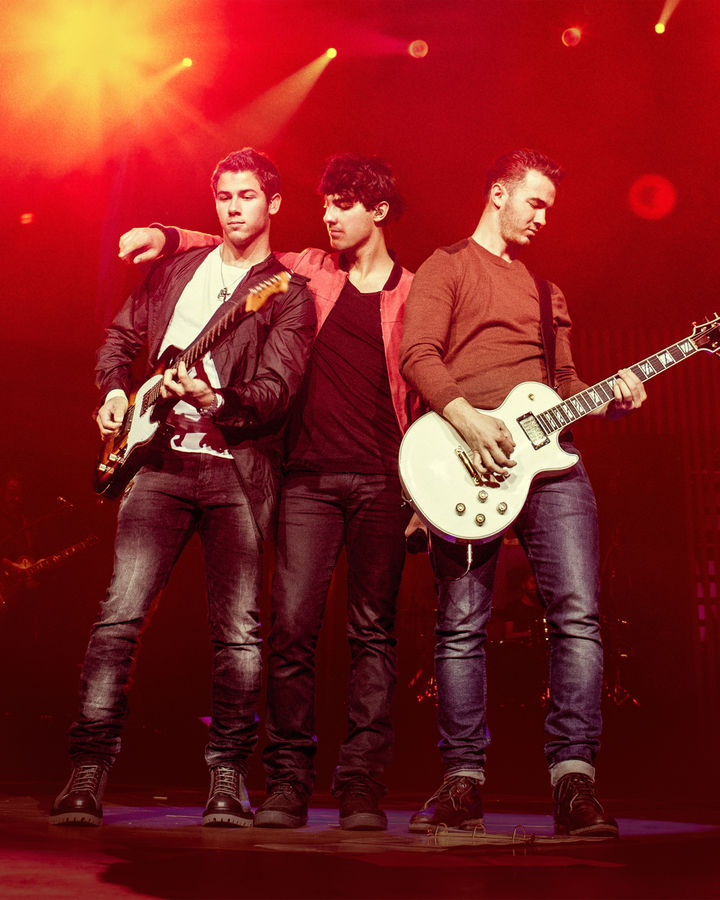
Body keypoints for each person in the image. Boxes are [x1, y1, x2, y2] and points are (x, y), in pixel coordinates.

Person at [117, 153, 420, 830]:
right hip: (306, 477)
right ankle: (287, 781)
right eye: (326, 204)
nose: (330, 216)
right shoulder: (307, 269)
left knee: (372, 635)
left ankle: (362, 786)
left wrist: (423, 494)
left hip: (382, 476)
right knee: (290, 633)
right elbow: (236, 241)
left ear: (378, 212)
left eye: (344, 205)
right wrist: (167, 234)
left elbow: (426, 389)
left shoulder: (416, 291)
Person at [50, 148, 316, 828]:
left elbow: (277, 392)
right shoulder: (175, 272)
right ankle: (87, 770)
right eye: (224, 195)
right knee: (119, 617)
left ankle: (228, 777)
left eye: (247, 195)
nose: (233, 207)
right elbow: (119, 338)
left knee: (239, 635)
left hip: (237, 473)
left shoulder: (286, 293)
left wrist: (214, 398)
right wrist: (115, 392)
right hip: (158, 463)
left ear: (273, 204)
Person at [398, 148, 647, 837]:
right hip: (462, 458)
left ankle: (574, 781)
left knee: (578, 617)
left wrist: (609, 398)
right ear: (499, 193)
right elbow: (418, 354)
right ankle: (462, 783)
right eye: (535, 202)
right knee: (460, 627)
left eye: (549, 208)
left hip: (549, 467)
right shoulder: (447, 266)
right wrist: (466, 419)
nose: (543, 218)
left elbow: (563, 386)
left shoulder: (546, 292)